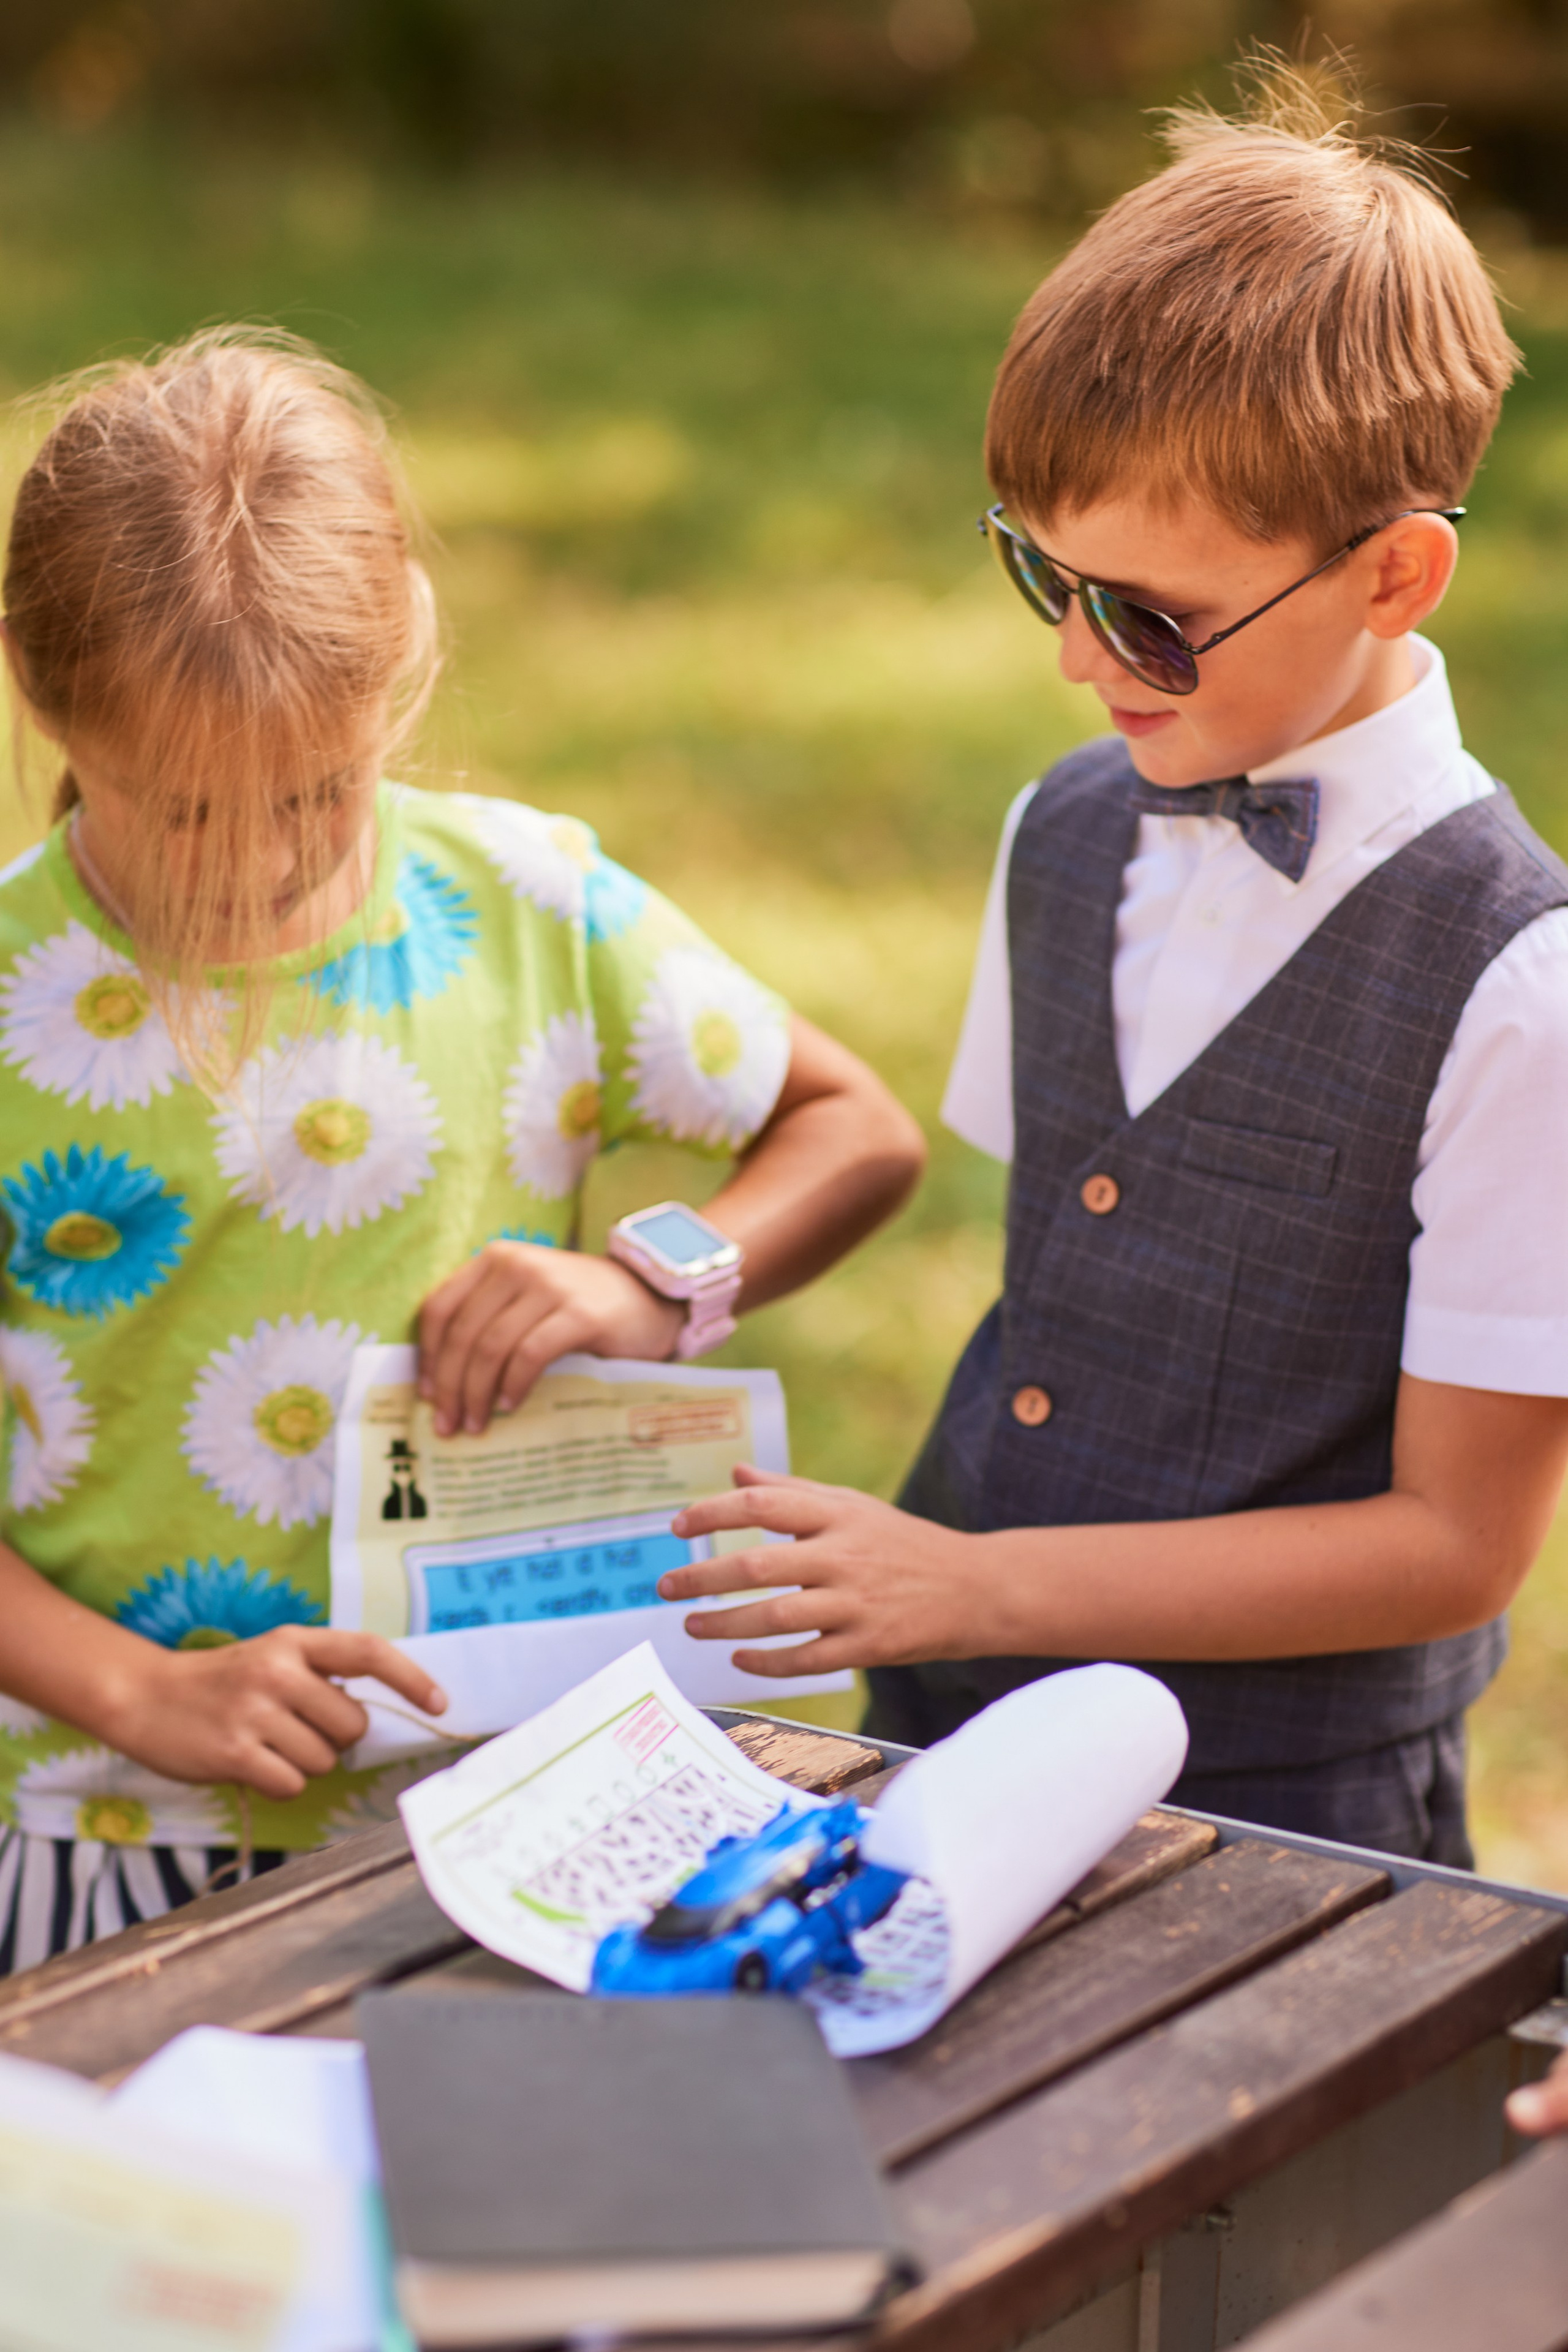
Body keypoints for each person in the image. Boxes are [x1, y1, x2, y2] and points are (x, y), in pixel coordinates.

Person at [660, 68, 1568, 1866]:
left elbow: (1456, 1547)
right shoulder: (1065, 827)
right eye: (1043, 578)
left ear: (1395, 575)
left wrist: (979, 1585)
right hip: (946, 1737)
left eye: (1149, 614)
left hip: (1279, 1828)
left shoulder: (1521, 988)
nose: (1085, 661)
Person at [0, 326, 924, 1969]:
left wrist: (657, 1285)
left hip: (508, 1806)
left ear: (404, 650)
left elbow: (851, 1128)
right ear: (36, 687)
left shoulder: (530, 913)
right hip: (112, 1827)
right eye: (193, 812)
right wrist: (140, 1691)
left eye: (319, 794)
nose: (267, 864)